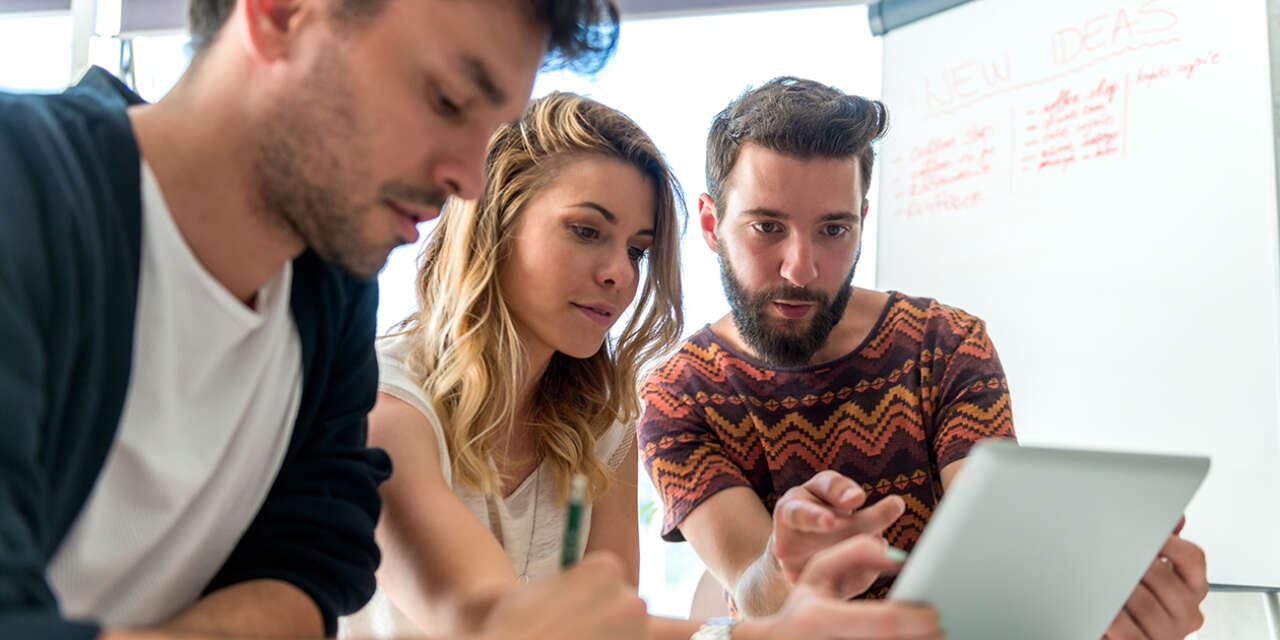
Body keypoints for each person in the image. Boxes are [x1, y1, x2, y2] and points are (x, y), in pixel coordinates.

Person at [0, 0, 654, 638]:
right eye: (447, 100)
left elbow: (314, 566)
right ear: (282, 14)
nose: (468, 182)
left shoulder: (330, 292)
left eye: (487, 132)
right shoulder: (23, 191)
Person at [354, 91, 942, 640]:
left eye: (636, 248)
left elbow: (610, 628)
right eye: (587, 231)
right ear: (494, 222)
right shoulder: (381, 405)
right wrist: (765, 633)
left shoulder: (601, 426)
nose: (620, 273)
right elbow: (490, 618)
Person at [638, 76, 1210, 639]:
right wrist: (788, 566)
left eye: (834, 229)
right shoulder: (677, 394)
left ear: (862, 220)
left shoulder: (945, 344)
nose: (801, 268)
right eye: (767, 226)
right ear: (712, 225)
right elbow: (754, 597)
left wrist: (1092, 601)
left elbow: (990, 552)